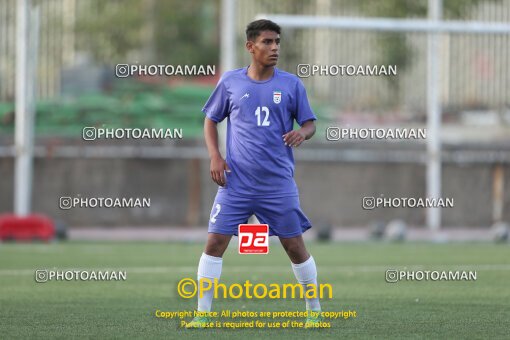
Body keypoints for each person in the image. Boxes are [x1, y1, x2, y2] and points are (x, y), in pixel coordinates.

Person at [186, 19, 321, 328]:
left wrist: (303, 132)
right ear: (250, 47)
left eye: (277, 42)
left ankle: (314, 311)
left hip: (277, 184)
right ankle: (202, 316)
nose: (274, 48)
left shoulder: (291, 85)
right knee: (214, 243)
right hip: (237, 184)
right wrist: (215, 156)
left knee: (295, 247)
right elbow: (210, 120)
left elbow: (311, 123)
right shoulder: (231, 82)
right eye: (267, 42)